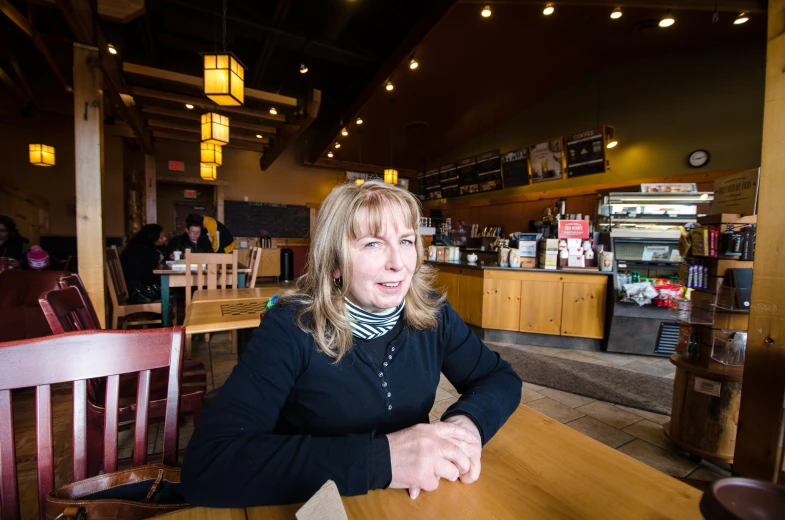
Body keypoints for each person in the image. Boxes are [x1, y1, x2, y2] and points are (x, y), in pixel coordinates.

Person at [181, 181, 522, 507]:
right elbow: (209, 465)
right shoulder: (291, 326)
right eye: (373, 243)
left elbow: (500, 378)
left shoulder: (434, 314)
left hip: (412, 503)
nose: (398, 263)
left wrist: (467, 425)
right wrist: (384, 460)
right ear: (334, 264)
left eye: (405, 241)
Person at [121, 224, 167, 303]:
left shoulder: (137, 245)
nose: (165, 239)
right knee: (170, 288)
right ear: (153, 237)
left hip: (134, 287)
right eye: (161, 238)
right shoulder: (142, 251)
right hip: (137, 291)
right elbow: (150, 273)